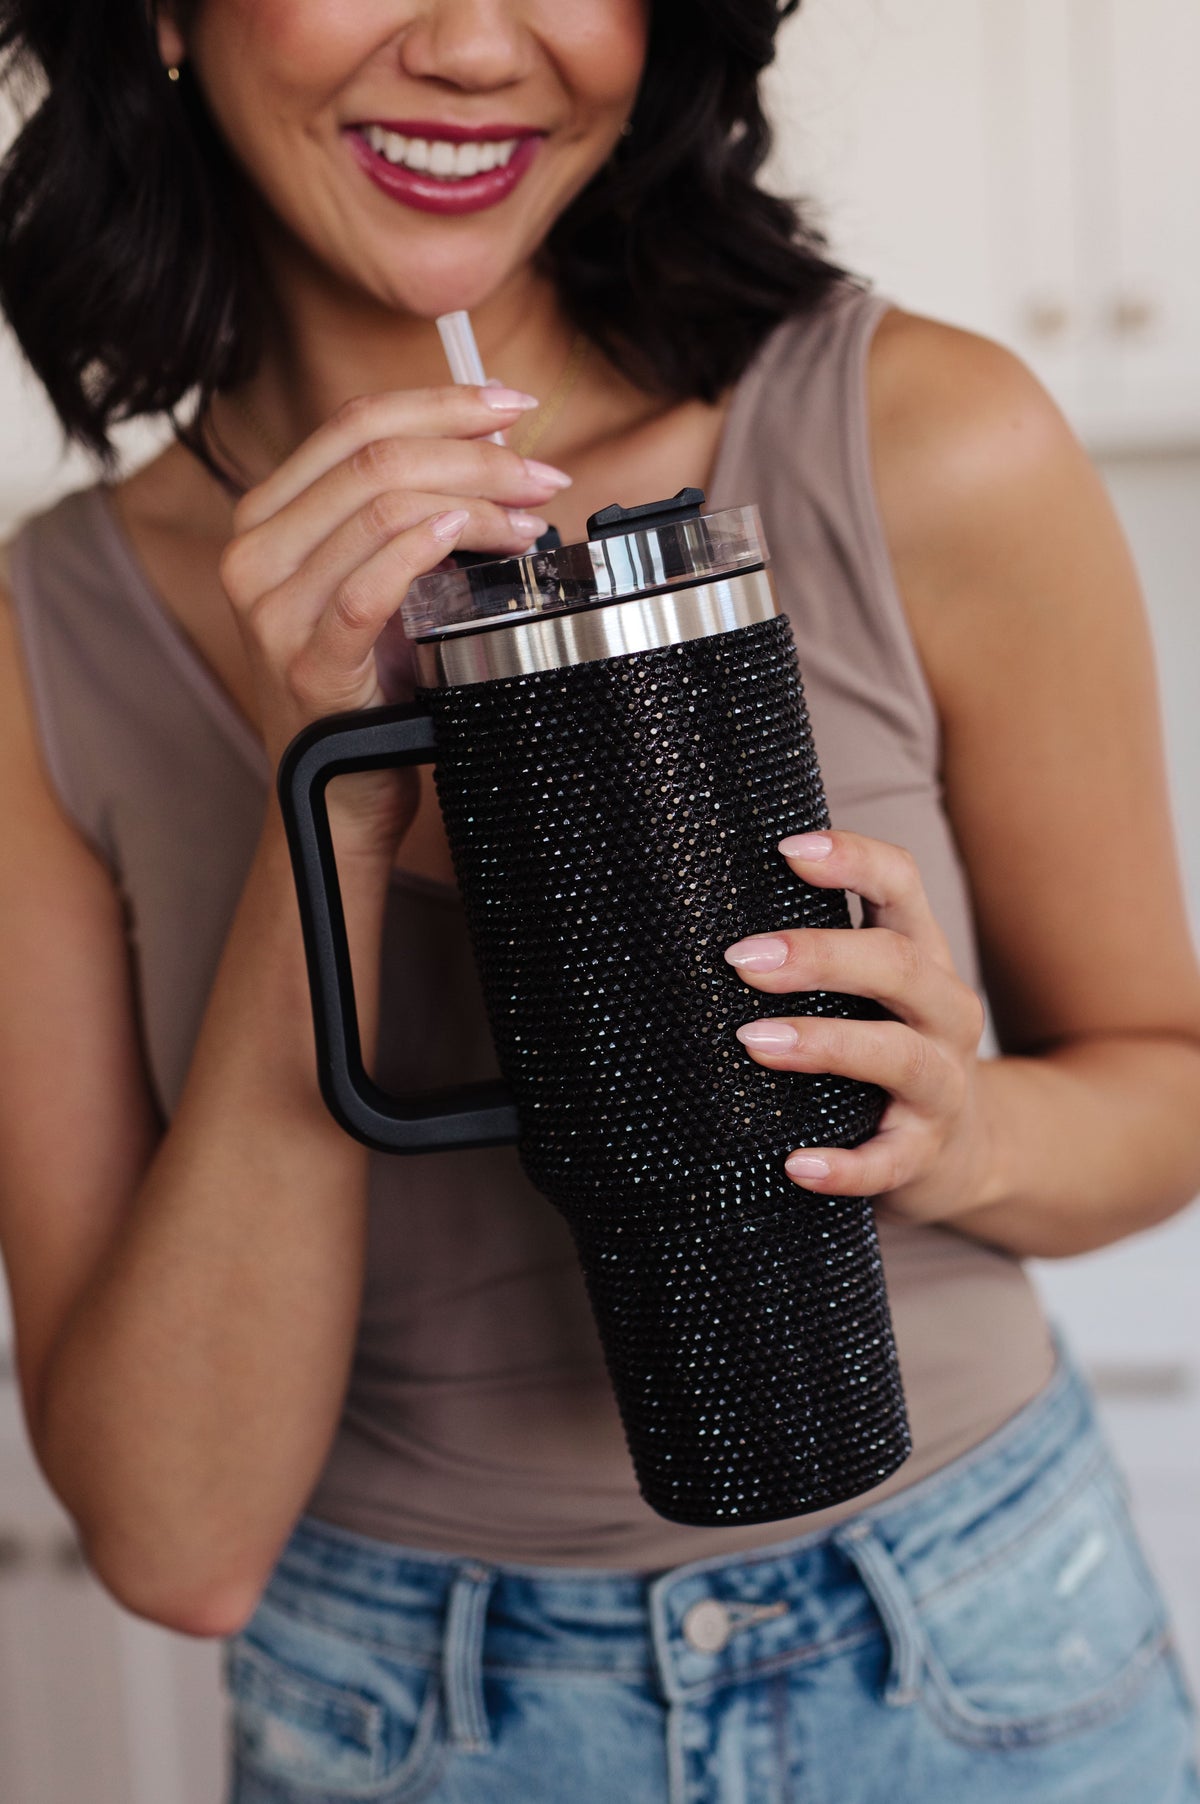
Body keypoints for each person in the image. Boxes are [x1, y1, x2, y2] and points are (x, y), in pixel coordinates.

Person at [1, 1, 1199, 1798]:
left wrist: (962, 1135)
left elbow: (1165, 1081)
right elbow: (180, 1543)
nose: (482, 46)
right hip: (405, 1716)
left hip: (980, 1649)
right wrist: (315, 787)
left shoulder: (928, 442)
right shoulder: (43, 645)